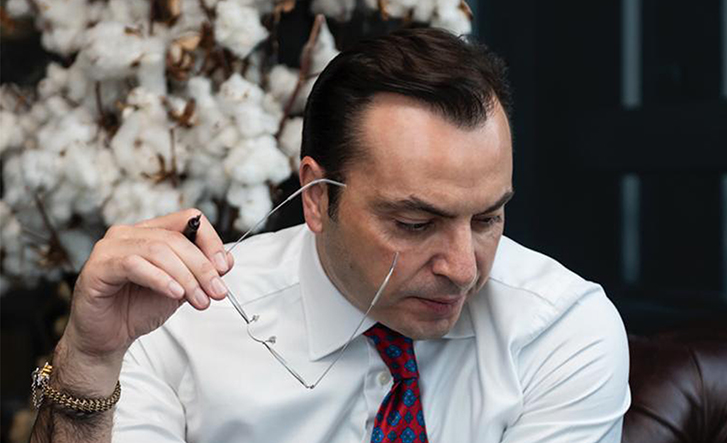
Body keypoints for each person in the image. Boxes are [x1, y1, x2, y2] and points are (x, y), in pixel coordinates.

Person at [30, 28, 630, 443]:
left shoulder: (561, 330)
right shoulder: (175, 320)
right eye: (414, 224)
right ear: (316, 198)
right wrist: (90, 360)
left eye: (487, 219)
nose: (463, 268)